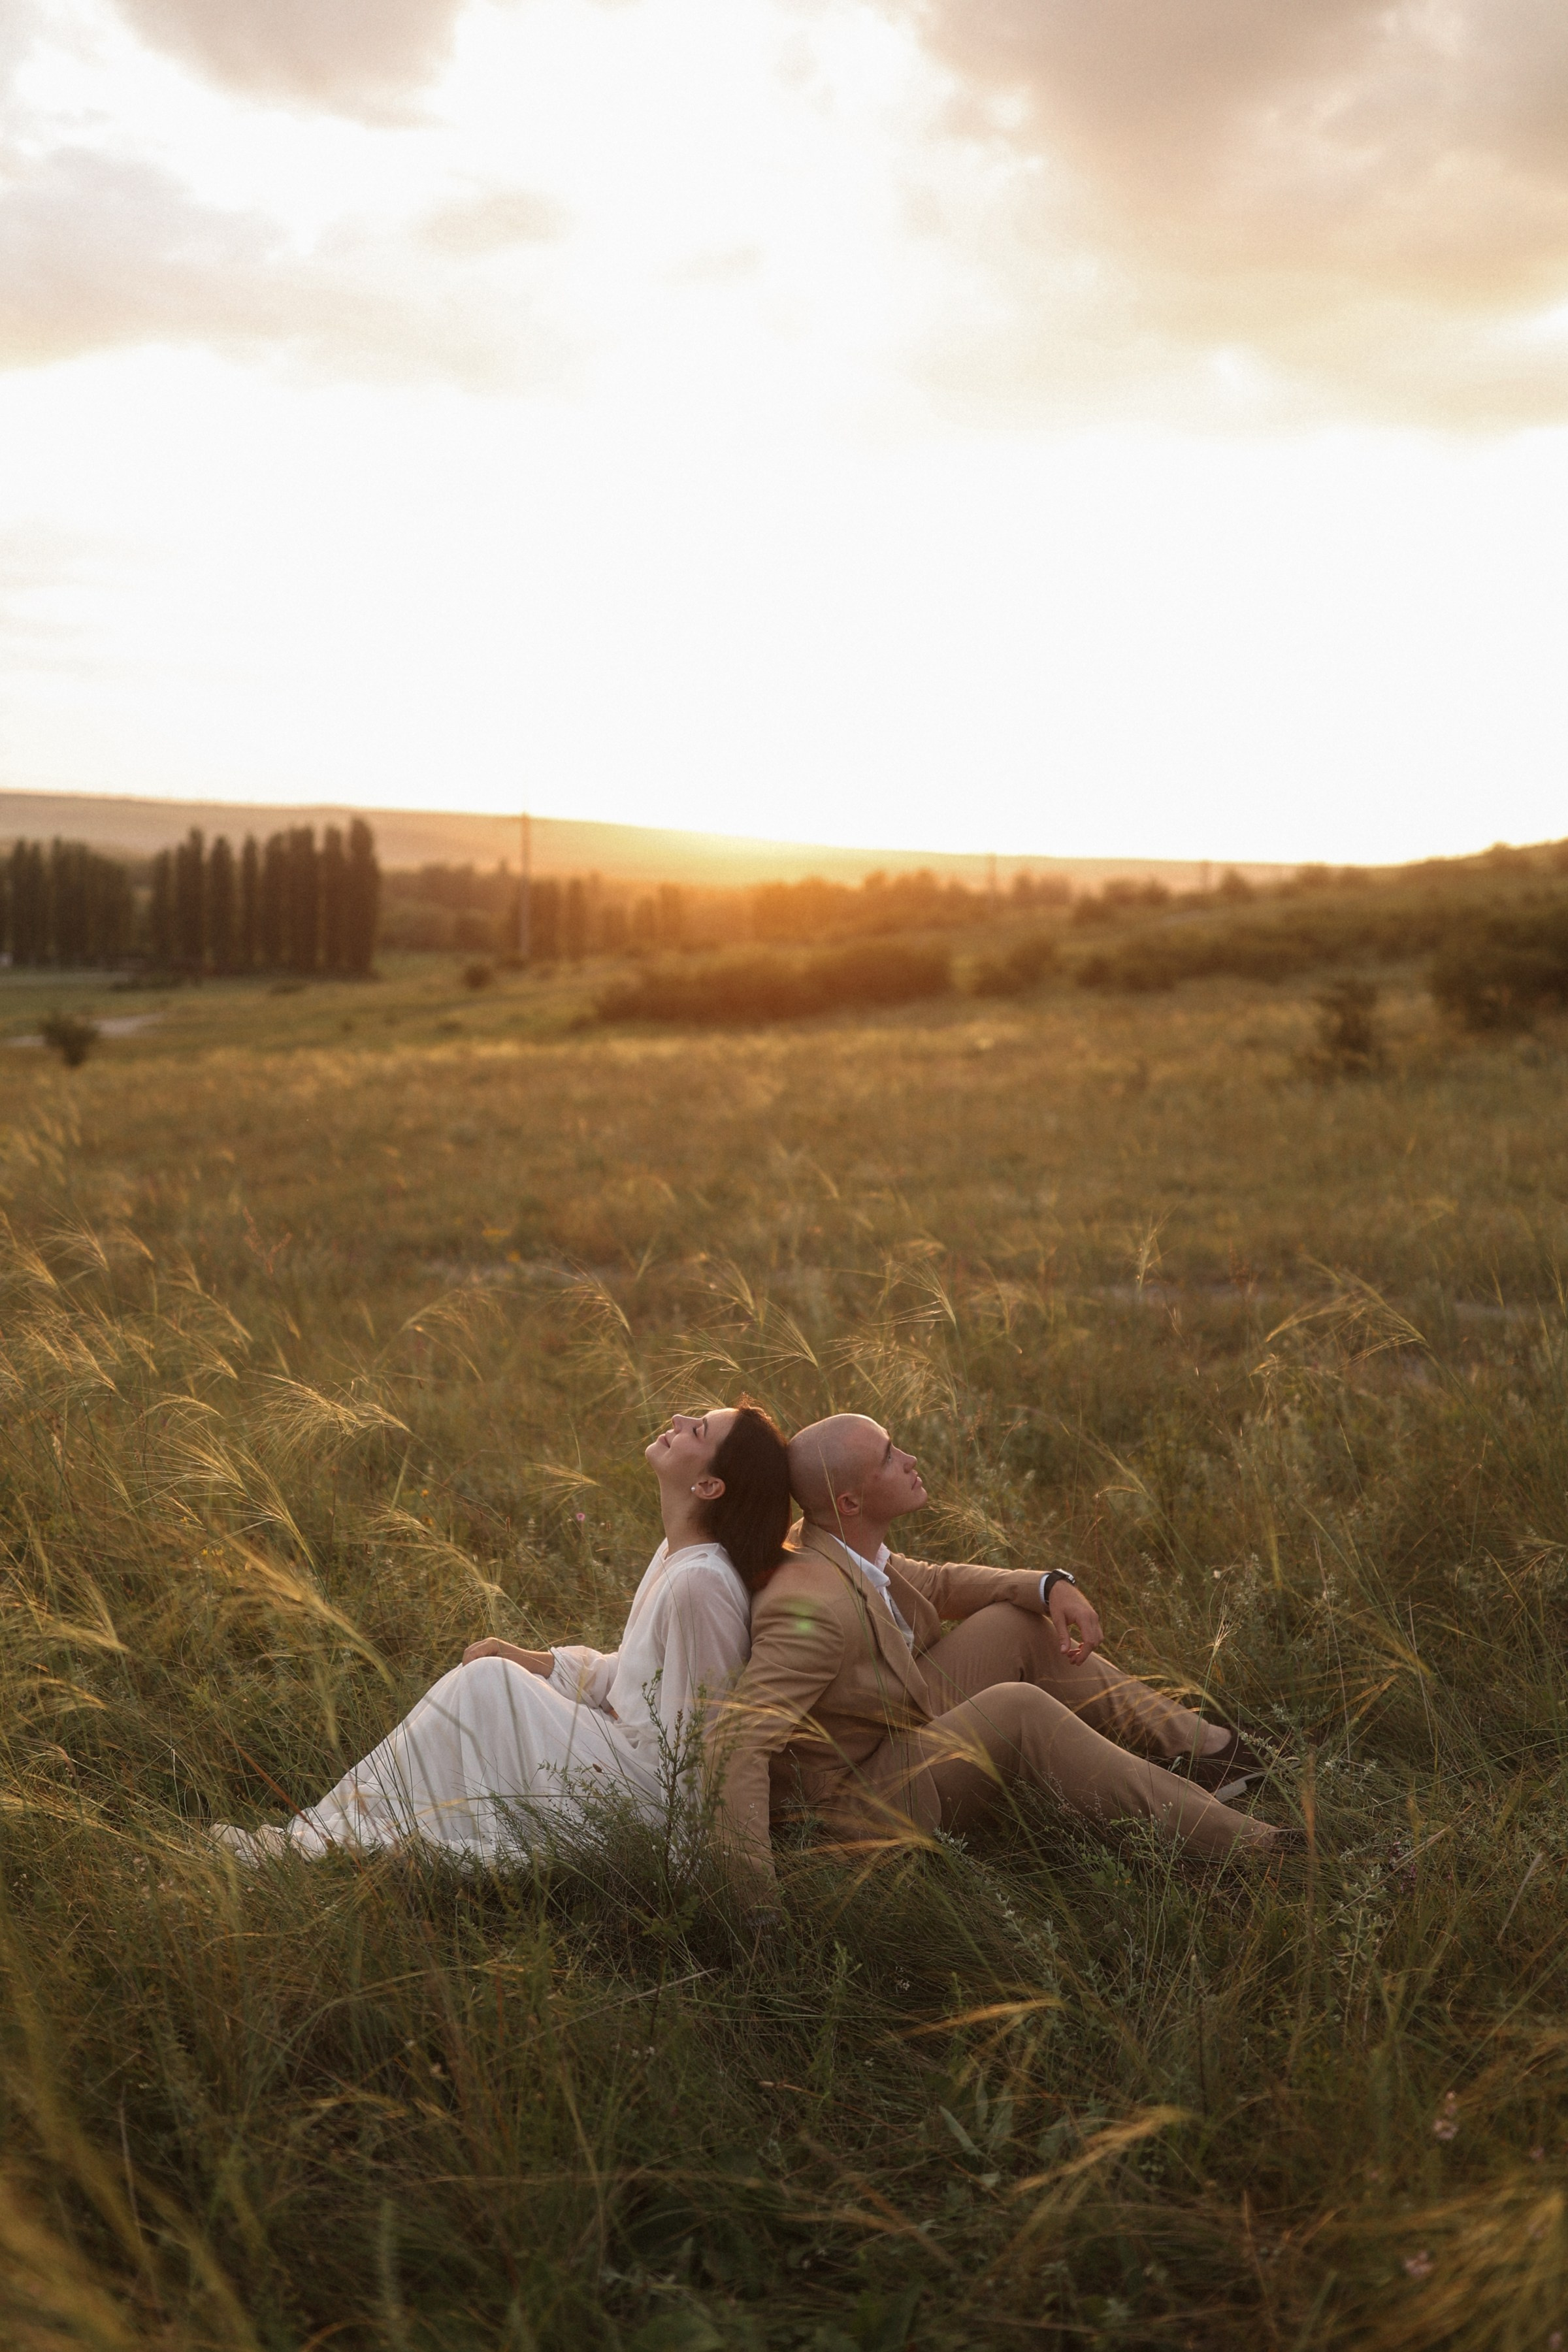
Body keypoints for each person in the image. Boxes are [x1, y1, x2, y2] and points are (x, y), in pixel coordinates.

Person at [715, 1413, 1287, 1908]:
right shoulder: (808, 1608)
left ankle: (1213, 1752)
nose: (911, 1459)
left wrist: (1047, 1585)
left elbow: (935, 1585)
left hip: (892, 1726)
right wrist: (758, 1906)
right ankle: (1258, 1850)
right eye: (889, 1458)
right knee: (1018, 1711)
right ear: (850, 1503)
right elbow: (739, 1743)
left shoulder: (832, 1541)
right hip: (860, 1801)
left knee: (1017, 1622)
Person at [211, 1403, 790, 1867]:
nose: (678, 1421)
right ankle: (324, 1829)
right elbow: (638, 1673)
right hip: (618, 1755)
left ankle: (324, 1835)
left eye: (699, 1429)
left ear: (711, 1486)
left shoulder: (701, 1586)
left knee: (489, 1685)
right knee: (492, 1674)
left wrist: (695, 1865)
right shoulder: (677, 1553)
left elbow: (706, 1738)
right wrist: (539, 1661)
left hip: (644, 1794)